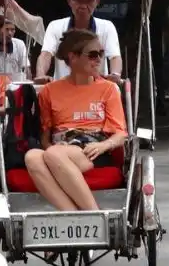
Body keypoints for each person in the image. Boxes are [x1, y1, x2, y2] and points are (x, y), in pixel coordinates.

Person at [25, 29, 127, 212]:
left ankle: (93, 214)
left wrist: (104, 146)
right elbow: (45, 136)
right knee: (32, 156)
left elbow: (121, 133)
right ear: (73, 58)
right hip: (60, 146)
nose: (99, 60)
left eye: (101, 54)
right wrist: (52, 150)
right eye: (93, 55)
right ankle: (74, 217)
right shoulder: (50, 91)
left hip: (93, 149)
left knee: (54, 154)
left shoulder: (109, 89)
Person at [35, 0, 122, 84]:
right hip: (63, 91)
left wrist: (115, 74)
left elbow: (115, 56)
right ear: (69, 0)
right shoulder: (55, 26)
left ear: (97, 1)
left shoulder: (107, 27)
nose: (83, 5)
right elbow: (46, 54)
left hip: (97, 91)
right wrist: (40, 75)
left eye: (89, 0)